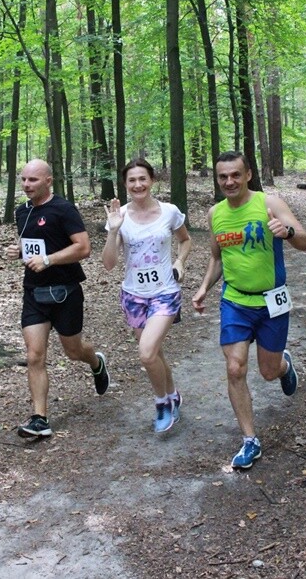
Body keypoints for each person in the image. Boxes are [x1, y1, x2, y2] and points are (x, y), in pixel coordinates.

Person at [191, 151, 306, 469]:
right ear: (217, 180)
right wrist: (205, 287)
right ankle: (250, 441)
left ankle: (283, 366)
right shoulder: (215, 213)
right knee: (234, 368)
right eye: (222, 177)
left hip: (272, 301)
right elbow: (218, 258)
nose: (229, 181)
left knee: (268, 372)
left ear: (247, 175)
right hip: (235, 302)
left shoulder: (269, 204)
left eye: (235, 175)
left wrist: (286, 233)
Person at [4, 159, 110, 439]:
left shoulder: (63, 209)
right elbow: (35, 245)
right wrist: (20, 251)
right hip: (34, 293)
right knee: (34, 356)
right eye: (24, 179)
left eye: (33, 180)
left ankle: (96, 362)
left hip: (66, 292)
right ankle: (40, 418)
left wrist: (49, 260)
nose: (26, 185)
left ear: (48, 181)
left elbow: (83, 248)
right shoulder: (21, 212)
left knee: (73, 352)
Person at [101, 159, 192, 434]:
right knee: (155, 353)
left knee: (146, 352)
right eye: (132, 180)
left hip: (165, 292)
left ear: (152, 180)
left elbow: (185, 240)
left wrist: (180, 262)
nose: (138, 185)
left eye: (143, 179)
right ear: (126, 185)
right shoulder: (120, 217)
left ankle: (162, 403)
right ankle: (174, 393)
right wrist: (114, 229)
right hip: (134, 296)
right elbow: (108, 263)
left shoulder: (170, 212)